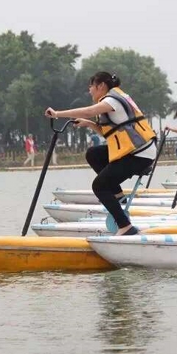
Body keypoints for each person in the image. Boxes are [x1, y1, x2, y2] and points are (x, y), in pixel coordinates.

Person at [45, 71, 157, 236]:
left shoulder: (111, 100)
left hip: (140, 154)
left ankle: (125, 227)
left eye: (91, 86)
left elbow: (88, 111)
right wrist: (90, 124)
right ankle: (118, 196)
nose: (89, 90)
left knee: (99, 186)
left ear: (101, 86)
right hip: (135, 151)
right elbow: (109, 133)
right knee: (94, 154)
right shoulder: (115, 98)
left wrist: (57, 114)